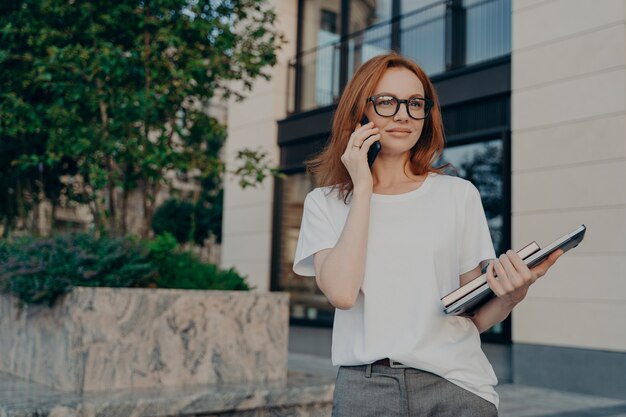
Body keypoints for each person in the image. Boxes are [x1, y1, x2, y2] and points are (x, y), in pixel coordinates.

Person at [292, 53, 563, 417]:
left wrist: (514, 294)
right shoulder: (324, 203)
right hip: (367, 391)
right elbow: (341, 293)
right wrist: (363, 188)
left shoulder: (457, 194)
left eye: (415, 103)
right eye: (386, 102)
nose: (403, 114)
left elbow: (473, 316)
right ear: (360, 113)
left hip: (457, 388)